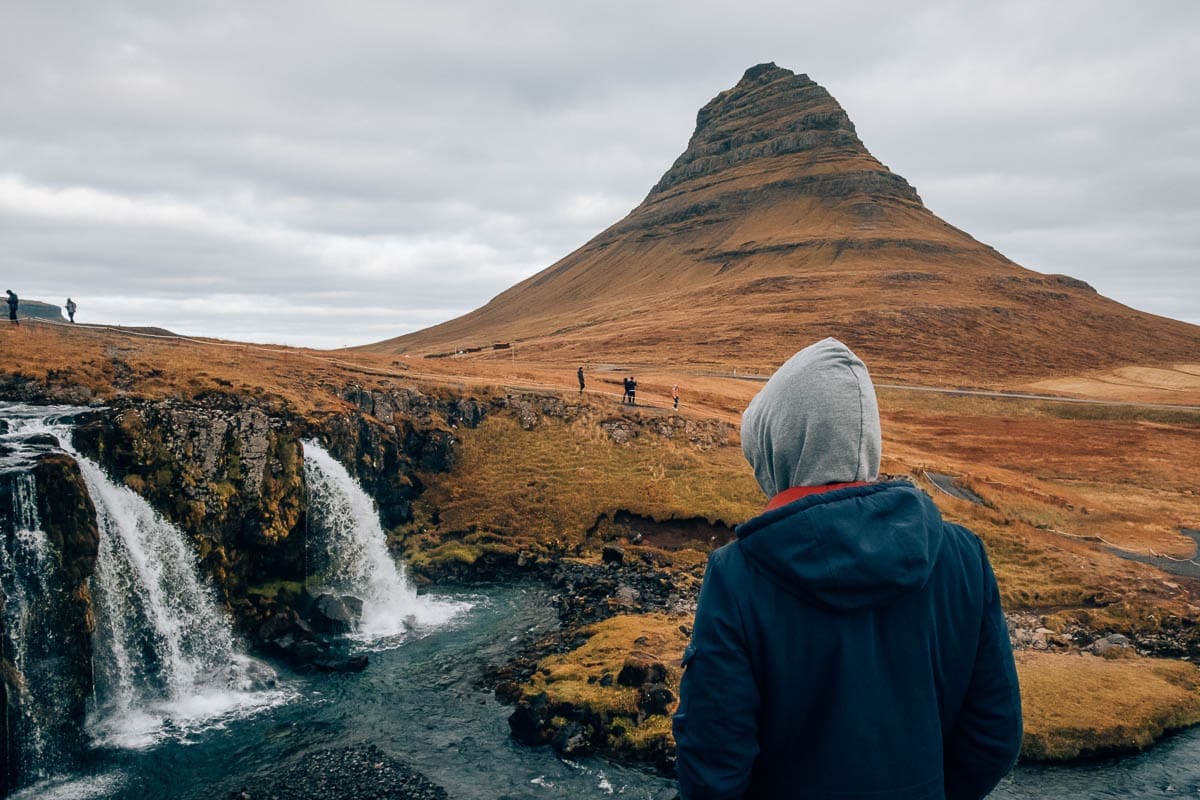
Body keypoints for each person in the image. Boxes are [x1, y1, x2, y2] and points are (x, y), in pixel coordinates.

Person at [674, 337, 1021, 800]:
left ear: (782, 447)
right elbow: (995, 737)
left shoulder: (738, 576)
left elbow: (712, 773)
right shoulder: (964, 557)